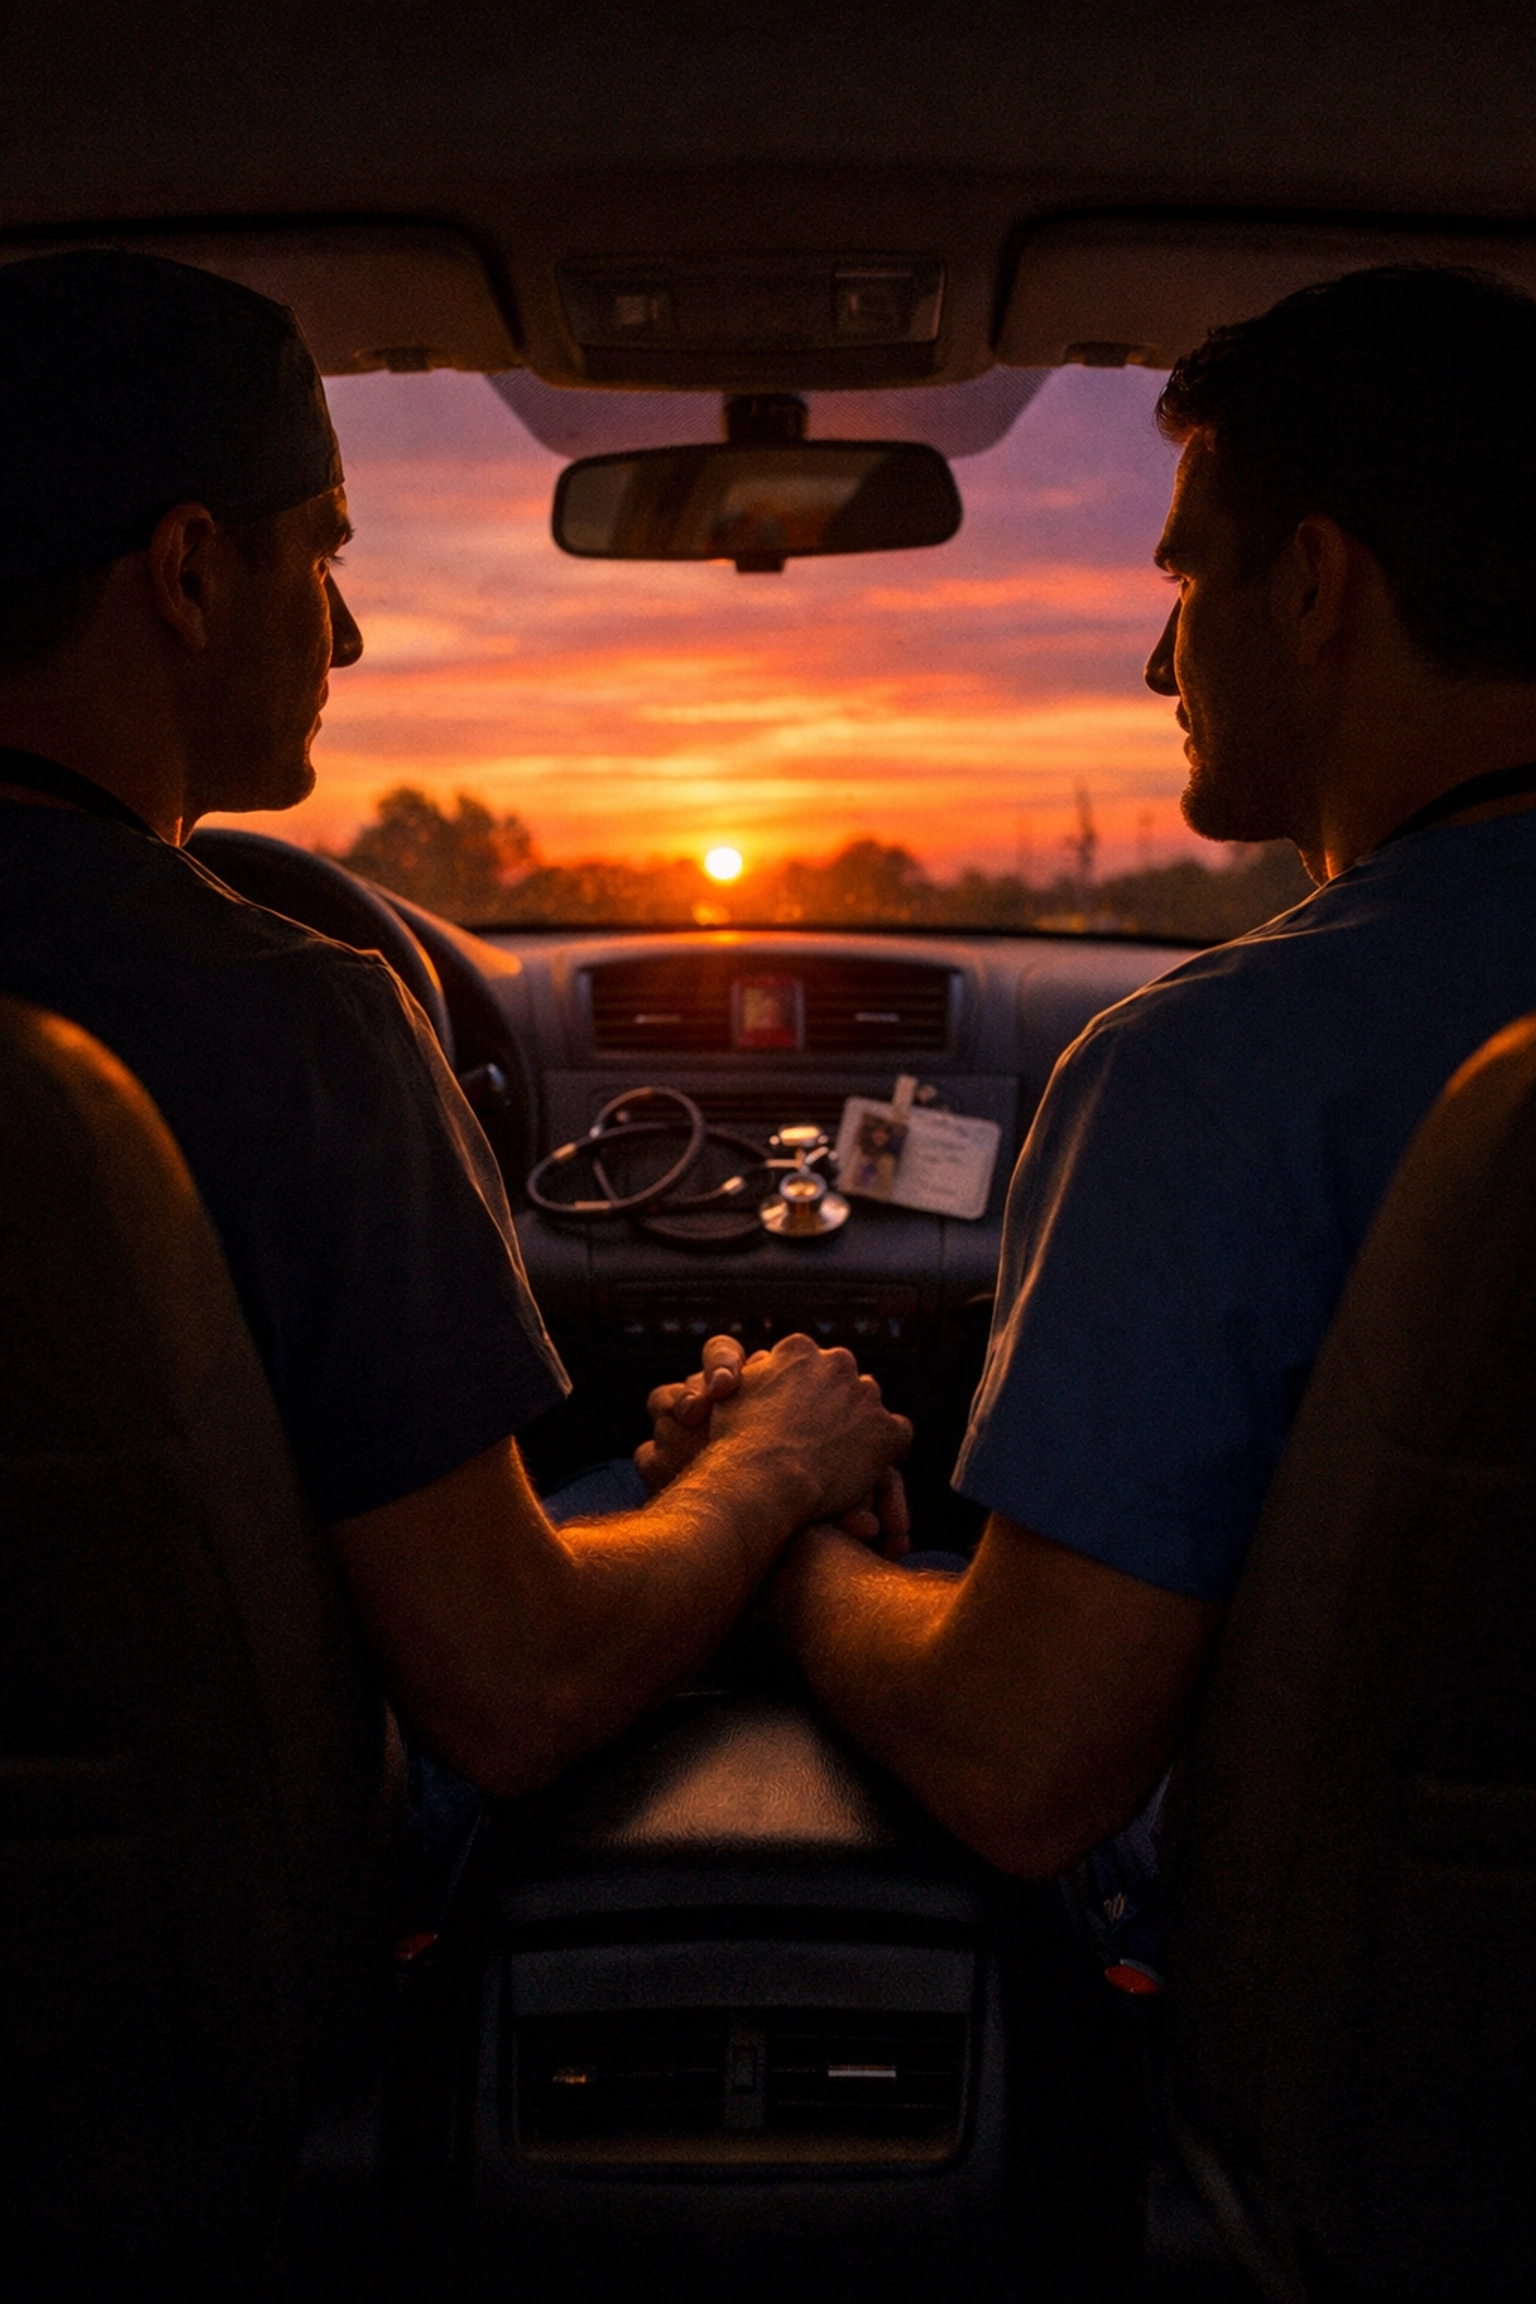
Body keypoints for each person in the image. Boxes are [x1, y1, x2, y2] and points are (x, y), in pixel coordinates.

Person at [649, 265, 1536, 1958]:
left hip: (1334, 2008)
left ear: (1311, 587)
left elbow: (1024, 1767)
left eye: (1183, 578)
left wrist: (772, 1532)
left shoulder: (1211, 1069)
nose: (1154, 658)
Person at [0, 249, 911, 1811]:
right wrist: (768, 1473)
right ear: (192, 573)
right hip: (222, 1965)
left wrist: (667, 1509)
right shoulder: (295, 1023)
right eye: (325, 556)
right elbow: (510, 1685)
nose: (345, 638)